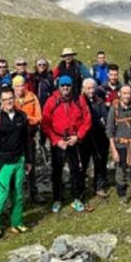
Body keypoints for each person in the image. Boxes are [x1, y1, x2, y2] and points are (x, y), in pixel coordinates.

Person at [0, 87, 32, 236]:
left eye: (11, 98)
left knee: (18, 194)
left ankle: (17, 223)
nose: (9, 101)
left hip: (19, 160)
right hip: (2, 163)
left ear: (14, 98)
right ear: (0, 101)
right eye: (5, 99)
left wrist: (29, 160)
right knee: (1, 196)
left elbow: (27, 140)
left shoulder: (22, 116)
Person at [42, 75, 92, 212]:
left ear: (72, 86)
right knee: (57, 171)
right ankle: (57, 199)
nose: (65, 88)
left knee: (76, 170)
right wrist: (55, 140)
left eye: (68, 85)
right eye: (63, 85)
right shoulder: (52, 101)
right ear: (58, 86)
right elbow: (45, 123)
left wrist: (78, 136)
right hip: (58, 140)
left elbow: (87, 120)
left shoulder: (78, 99)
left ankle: (77, 198)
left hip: (73, 140)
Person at [13, 75, 43, 202]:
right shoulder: (9, 99)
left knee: (31, 165)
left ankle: (33, 194)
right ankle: (17, 196)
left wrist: (25, 119)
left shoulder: (32, 97)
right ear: (13, 87)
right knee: (15, 168)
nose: (20, 88)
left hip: (29, 138)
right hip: (14, 140)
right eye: (17, 86)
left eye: (22, 85)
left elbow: (39, 118)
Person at [80, 78, 110, 197]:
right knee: (83, 162)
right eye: (88, 88)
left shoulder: (99, 101)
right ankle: (81, 188)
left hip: (99, 135)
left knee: (100, 161)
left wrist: (102, 121)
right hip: (85, 136)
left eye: (92, 88)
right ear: (83, 89)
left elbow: (105, 116)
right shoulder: (80, 101)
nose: (91, 91)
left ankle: (99, 186)